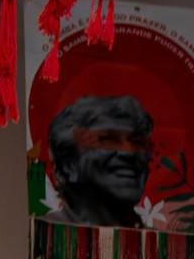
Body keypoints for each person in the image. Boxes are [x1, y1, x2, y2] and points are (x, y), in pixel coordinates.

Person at [43, 92, 155, 226]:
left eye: (138, 142)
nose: (129, 152)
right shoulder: (39, 232)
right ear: (69, 164)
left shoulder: (156, 238)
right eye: (108, 139)